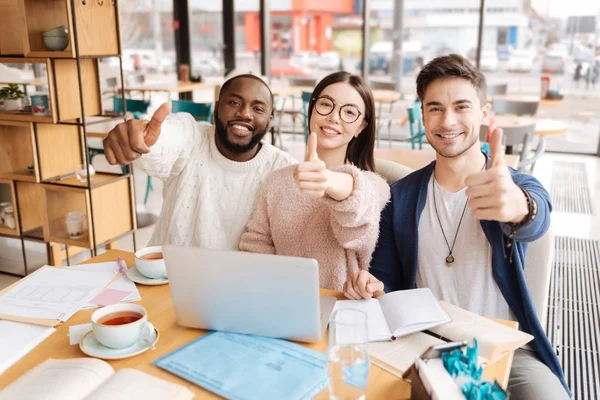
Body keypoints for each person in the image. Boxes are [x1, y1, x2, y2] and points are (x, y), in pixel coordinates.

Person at [343, 55, 570, 399]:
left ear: (484, 113)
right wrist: (369, 284)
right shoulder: (401, 197)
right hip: (427, 346)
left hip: (507, 354)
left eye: (461, 106)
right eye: (434, 108)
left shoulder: (512, 185)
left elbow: (535, 217)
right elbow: (384, 279)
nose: (447, 120)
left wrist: (519, 207)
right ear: (422, 115)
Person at [103, 74, 296, 249]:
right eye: (234, 102)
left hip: (240, 285)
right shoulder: (191, 136)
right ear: (216, 108)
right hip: (166, 278)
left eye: (258, 108)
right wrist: (142, 140)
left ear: (269, 121)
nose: (245, 114)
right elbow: (165, 142)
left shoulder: (283, 168)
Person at [239, 72, 390, 291]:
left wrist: (328, 180)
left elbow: (355, 218)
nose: (334, 117)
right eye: (326, 104)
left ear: (361, 127)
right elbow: (256, 246)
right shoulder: (276, 182)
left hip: (342, 311)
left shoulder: (375, 186)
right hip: (281, 305)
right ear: (311, 110)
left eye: (349, 112)